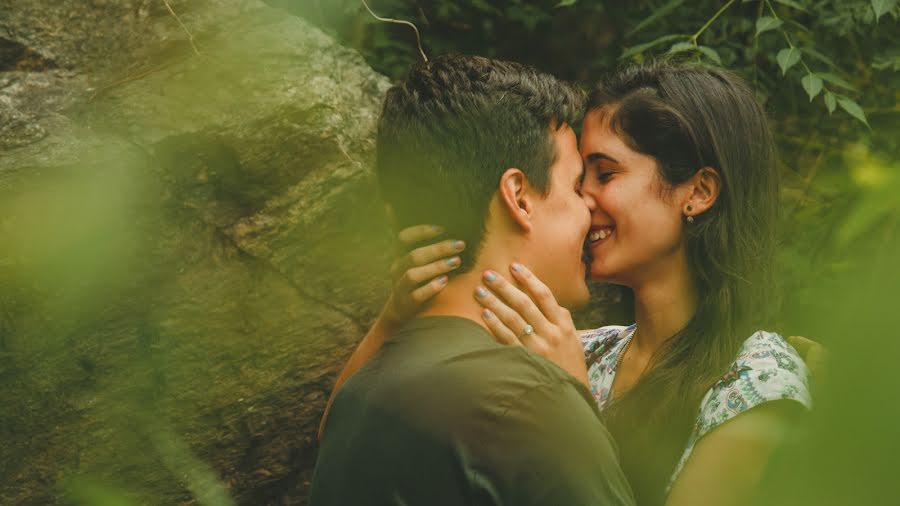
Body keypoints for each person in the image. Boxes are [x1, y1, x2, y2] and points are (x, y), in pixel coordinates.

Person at [325, 62, 813, 506]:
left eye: (604, 173)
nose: (582, 199)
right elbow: (354, 431)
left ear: (699, 192)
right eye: (578, 177)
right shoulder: (577, 348)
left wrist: (571, 400)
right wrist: (394, 317)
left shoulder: (754, 378)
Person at [309, 54, 635, 506]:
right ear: (519, 197)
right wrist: (570, 402)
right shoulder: (529, 400)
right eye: (575, 185)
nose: (589, 207)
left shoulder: (358, 394)